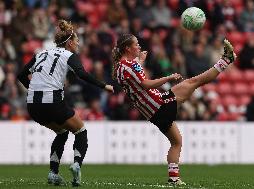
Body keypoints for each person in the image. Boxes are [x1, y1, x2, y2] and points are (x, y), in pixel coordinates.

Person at [112, 34, 236, 185]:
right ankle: (226, 60)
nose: (139, 46)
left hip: (152, 113)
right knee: (194, 81)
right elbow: (145, 84)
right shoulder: (130, 66)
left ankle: (173, 178)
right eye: (136, 44)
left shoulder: (120, 67)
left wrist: (140, 60)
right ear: (127, 48)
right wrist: (168, 78)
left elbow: (133, 74)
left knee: (176, 142)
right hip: (159, 104)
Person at [17, 20, 114, 186]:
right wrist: (103, 85)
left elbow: (21, 75)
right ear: (69, 42)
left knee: (61, 133)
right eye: (76, 41)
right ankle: (76, 166)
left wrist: (32, 88)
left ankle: (53, 173)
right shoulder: (69, 55)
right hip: (52, 101)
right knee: (81, 131)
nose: (77, 44)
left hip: (32, 104)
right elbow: (81, 74)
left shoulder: (41, 53)